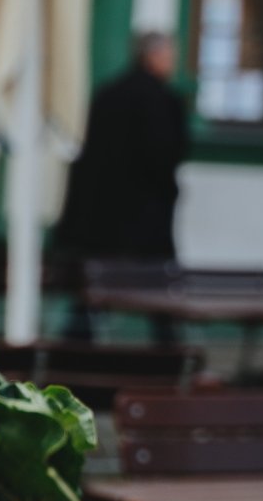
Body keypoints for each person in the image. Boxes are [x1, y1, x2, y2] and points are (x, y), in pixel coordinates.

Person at [53, 31, 189, 342]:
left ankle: (74, 348)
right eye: (170, 55)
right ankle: (168, 355)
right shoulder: (164, 100)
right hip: (146, 224)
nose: (173, 61)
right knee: (160, 302)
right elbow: (168, 156)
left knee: (90, 296)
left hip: (100, 222)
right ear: (154, 56)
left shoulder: (107, 94)